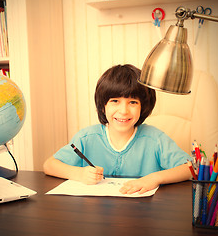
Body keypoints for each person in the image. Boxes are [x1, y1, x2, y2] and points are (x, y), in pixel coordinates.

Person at [43, 64, 192, 194]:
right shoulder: (86, 138)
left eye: (133, 102)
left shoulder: (155, 139)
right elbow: (49, 165)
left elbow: (192, 168)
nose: (124, 111)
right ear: (103, 106)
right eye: (115, 101)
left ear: (143, 106)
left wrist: (154, 178)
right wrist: (79, 173)